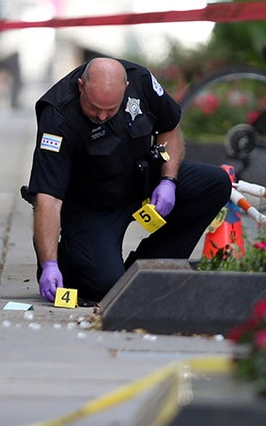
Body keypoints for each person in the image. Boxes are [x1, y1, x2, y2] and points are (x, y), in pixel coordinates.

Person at [21, 58, 231, 304]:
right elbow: (48, 196)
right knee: (105, 286)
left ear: (126, 87)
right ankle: (71, 263)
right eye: (94, 107)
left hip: (141, 181)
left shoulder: (140, 81)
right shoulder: (57, 114)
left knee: (215, 183)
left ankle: (149, 270)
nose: (101, 115)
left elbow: (169, 126)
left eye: (110, 109)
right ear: (81, 86)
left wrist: (168, 181)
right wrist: (49, 263)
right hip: (93, 205)